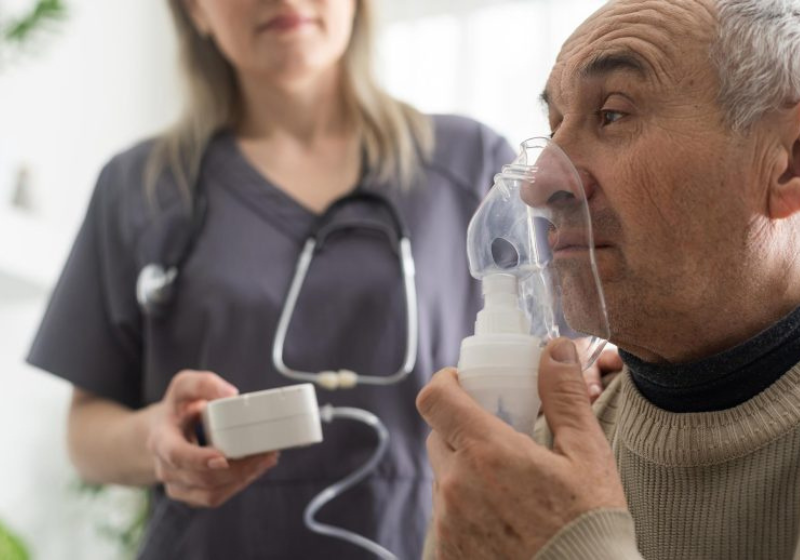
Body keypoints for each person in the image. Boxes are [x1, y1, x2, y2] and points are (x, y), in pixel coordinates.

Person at [24, 0, 526, 558]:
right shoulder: (141, 187)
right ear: (194, 10)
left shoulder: (472, 165)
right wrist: (156, 440)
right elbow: (86, 432)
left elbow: (558, 380)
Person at [416, 0, 800, 558]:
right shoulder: (536, 450)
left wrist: (572, 541)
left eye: (613, 114)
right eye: (554, 126)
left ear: (787, 159)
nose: (540, 183)